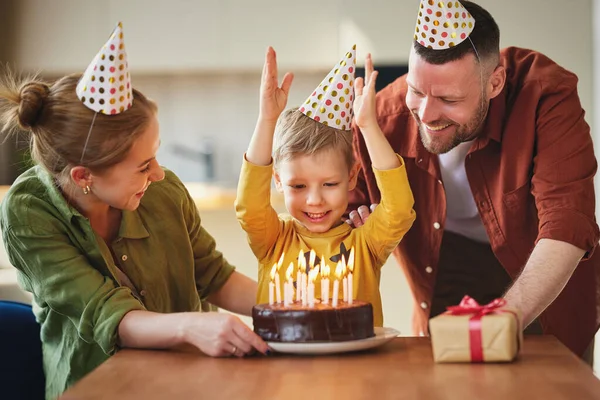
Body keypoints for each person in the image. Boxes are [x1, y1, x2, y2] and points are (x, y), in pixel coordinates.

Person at [0, 24, 268, 399]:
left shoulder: (164, 190)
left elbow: (212, 274)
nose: (158, 173)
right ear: (84, 176)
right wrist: (191, 327)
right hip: (97, 386)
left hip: (194, 382)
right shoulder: (29, 211)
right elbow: (106, 312)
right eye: (143, 165)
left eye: (155, 155)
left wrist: (291, 305)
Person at [347, 0, 599, 363]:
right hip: (443, 270)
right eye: (416, 91)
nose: (427, 114)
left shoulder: (545, 93)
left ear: (495, 82)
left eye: (449, 99)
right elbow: (338, 219)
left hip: (545, 280)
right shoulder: (381, 118)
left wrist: (502, 319)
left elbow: (567, 221)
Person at [235, 45, 415, 326]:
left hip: (356, 369)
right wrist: (267, 119)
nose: (314, 200)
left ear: (352, 177)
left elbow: (399, 208)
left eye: (330, 183)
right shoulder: (273, 240)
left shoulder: (365, 243)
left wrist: (368, 126)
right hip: (279, 368)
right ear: (278, 181)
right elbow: (250, 207)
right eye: (298, 186)